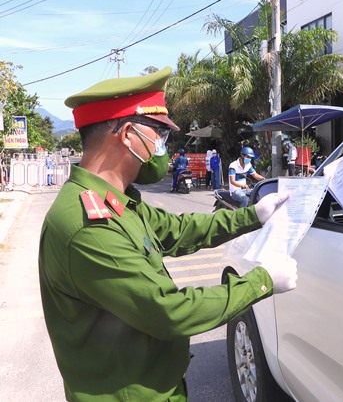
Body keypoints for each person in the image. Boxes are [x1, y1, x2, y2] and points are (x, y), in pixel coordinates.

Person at [38, 67, 296, 402]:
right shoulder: (87, 225)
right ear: (129, 134)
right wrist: (261, 282)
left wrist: (252, 215)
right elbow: (167, 311)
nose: (163, 146)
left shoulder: (117, 201)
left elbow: (179, 229)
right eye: (159, 134)